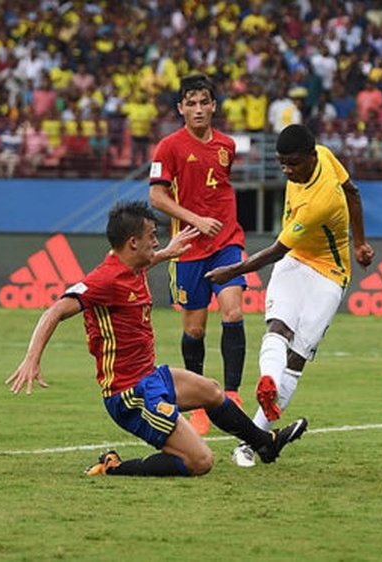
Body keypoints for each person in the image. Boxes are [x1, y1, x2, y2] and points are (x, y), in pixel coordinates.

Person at [5, 201, 307, 477]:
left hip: (149, 378)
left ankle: (265, 444)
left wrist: (166, 253)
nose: (156, 241)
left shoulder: (131, 265)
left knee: (212, 392)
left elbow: (140, 264)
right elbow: (55, 310)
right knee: (200, 462)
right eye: (152, 235)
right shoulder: (104, 280)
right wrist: (32, 358)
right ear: (132, 242)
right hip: (128, 395)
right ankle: (114, 468)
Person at [206, 124, 374, 467]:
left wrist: (231, 271)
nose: (287, 171)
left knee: (296, 357)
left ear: (311, 157)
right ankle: (265, 391)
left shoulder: (320, 200)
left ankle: (251, 438)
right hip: (296, 262)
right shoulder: (324, 154)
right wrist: (361, 241)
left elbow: (274, 251)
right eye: (282, 163)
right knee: (277, 329)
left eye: (293, 164)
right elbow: (354, 192)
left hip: (329, 274)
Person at [149, 74, 248, 436]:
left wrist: (218, 224)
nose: (198, 109)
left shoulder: (227, 145)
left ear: (213, 106)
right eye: (190, 103)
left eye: (204, 102)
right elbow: (157, 197)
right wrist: (195, 220)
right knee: (194, 328)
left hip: (226, 243)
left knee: (234, 310)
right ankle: (201, 404)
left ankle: (233, 395)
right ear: (181, 109)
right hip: (188, 248)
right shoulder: (168, 147)